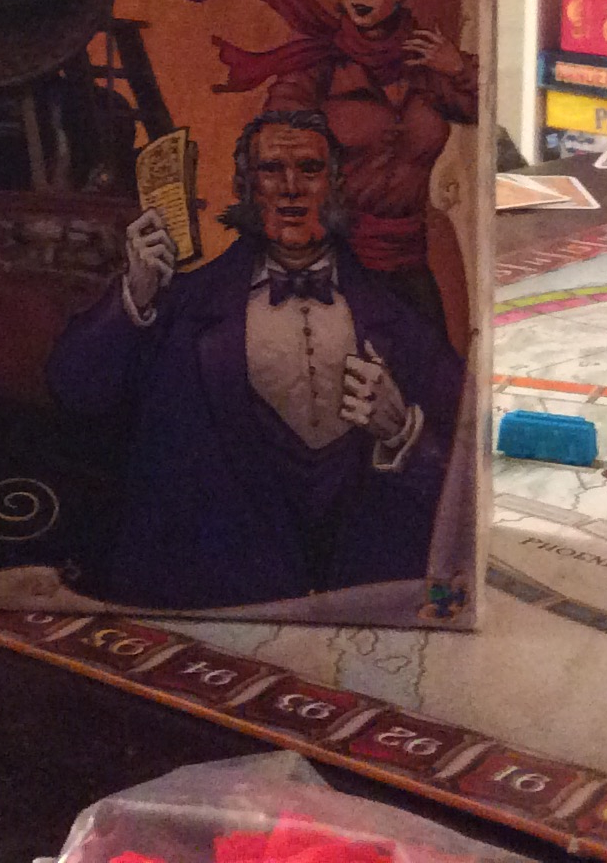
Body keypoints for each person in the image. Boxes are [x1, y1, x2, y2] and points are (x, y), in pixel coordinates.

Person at [45, 109, 462, 611]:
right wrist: (133, 294)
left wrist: (403, 433)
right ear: (245, 187)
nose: (291, 188)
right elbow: (75, 390)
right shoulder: (184, 305)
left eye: (309, 169)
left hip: (362, 607)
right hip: (211, 601)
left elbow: (466, 476)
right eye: (271, 170)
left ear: (335, 186)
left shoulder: (398, 316)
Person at [167, 0, 478, 343]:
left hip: (410, 265)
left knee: (431, 371)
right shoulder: (317, 67)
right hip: (333, 266)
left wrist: (458, 68)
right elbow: (274, 141)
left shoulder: (428, 64)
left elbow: (487, 113)